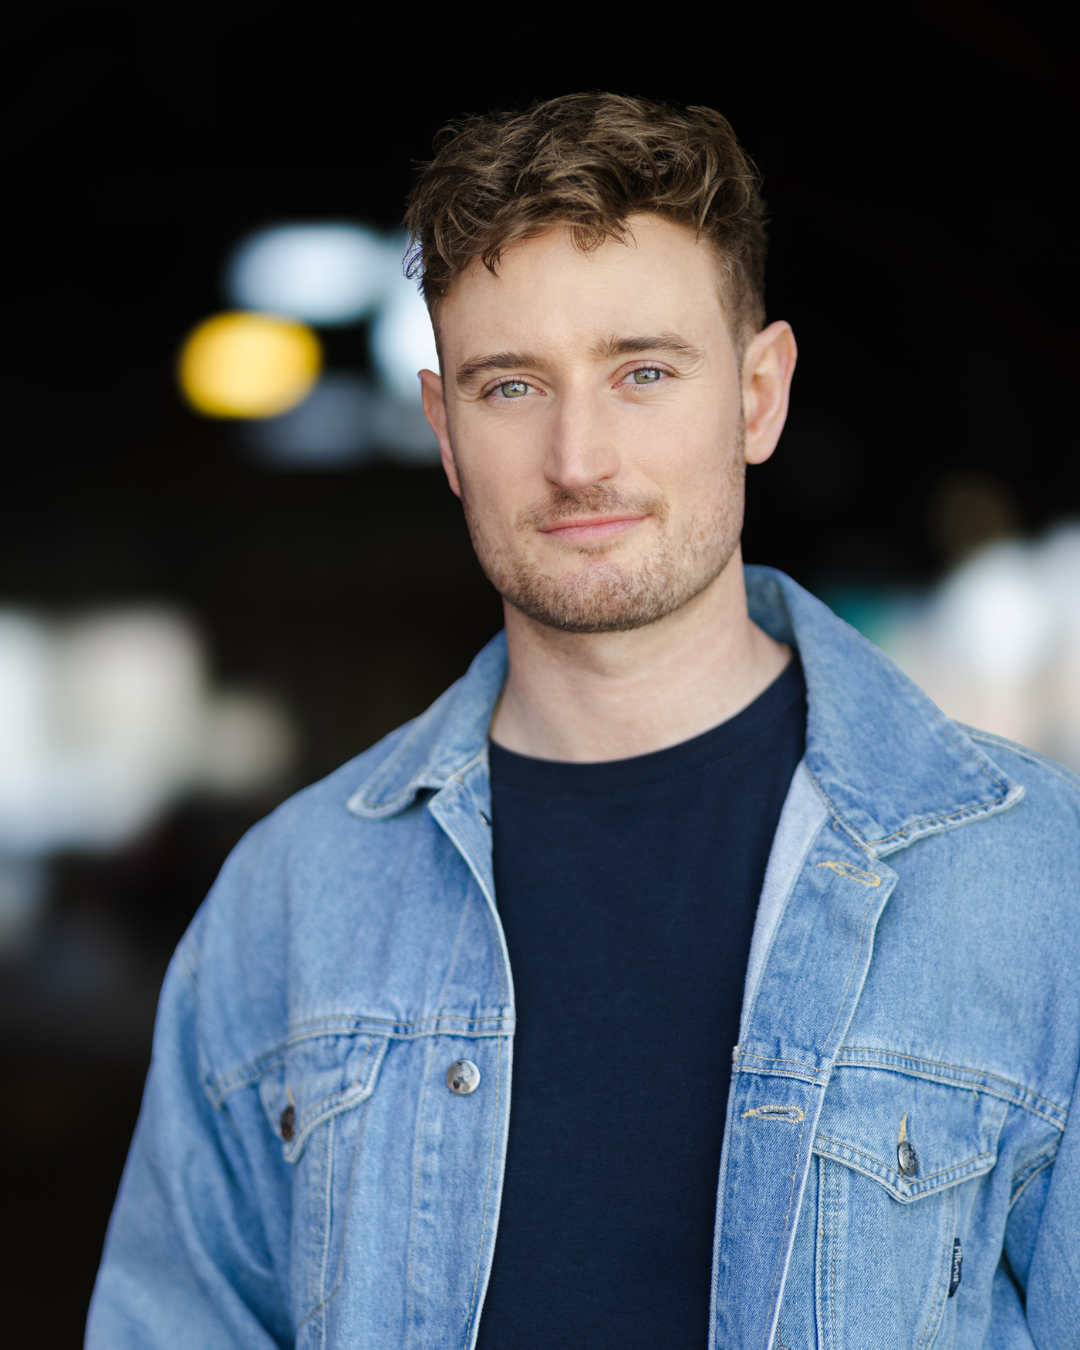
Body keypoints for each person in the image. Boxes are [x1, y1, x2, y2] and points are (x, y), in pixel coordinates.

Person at [87, 93, 1079, 1350]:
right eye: (513, 388)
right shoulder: (291, 896)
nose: (579, 456)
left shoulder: (1034, 873)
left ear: (759, 395)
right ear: (445, 430)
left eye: (644, 372)